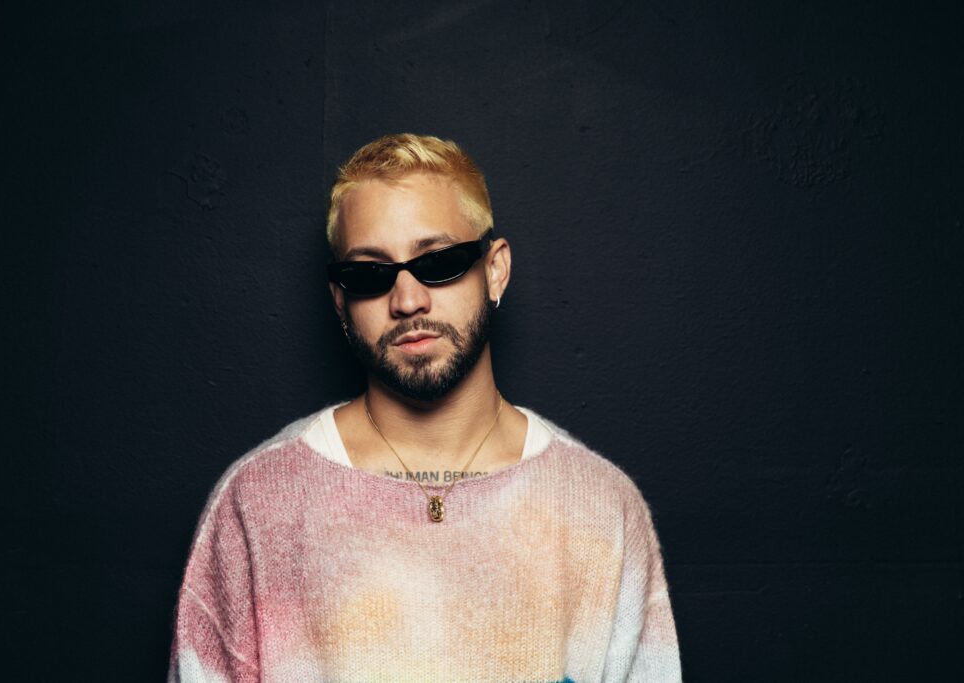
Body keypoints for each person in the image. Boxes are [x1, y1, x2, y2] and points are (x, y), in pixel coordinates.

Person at [167, 133, 682, 682]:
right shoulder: (257, 503)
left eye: (439, 262)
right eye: (369, 274)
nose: (408, 300)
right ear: (340, 300)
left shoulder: (601, 508)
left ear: (495, 269)